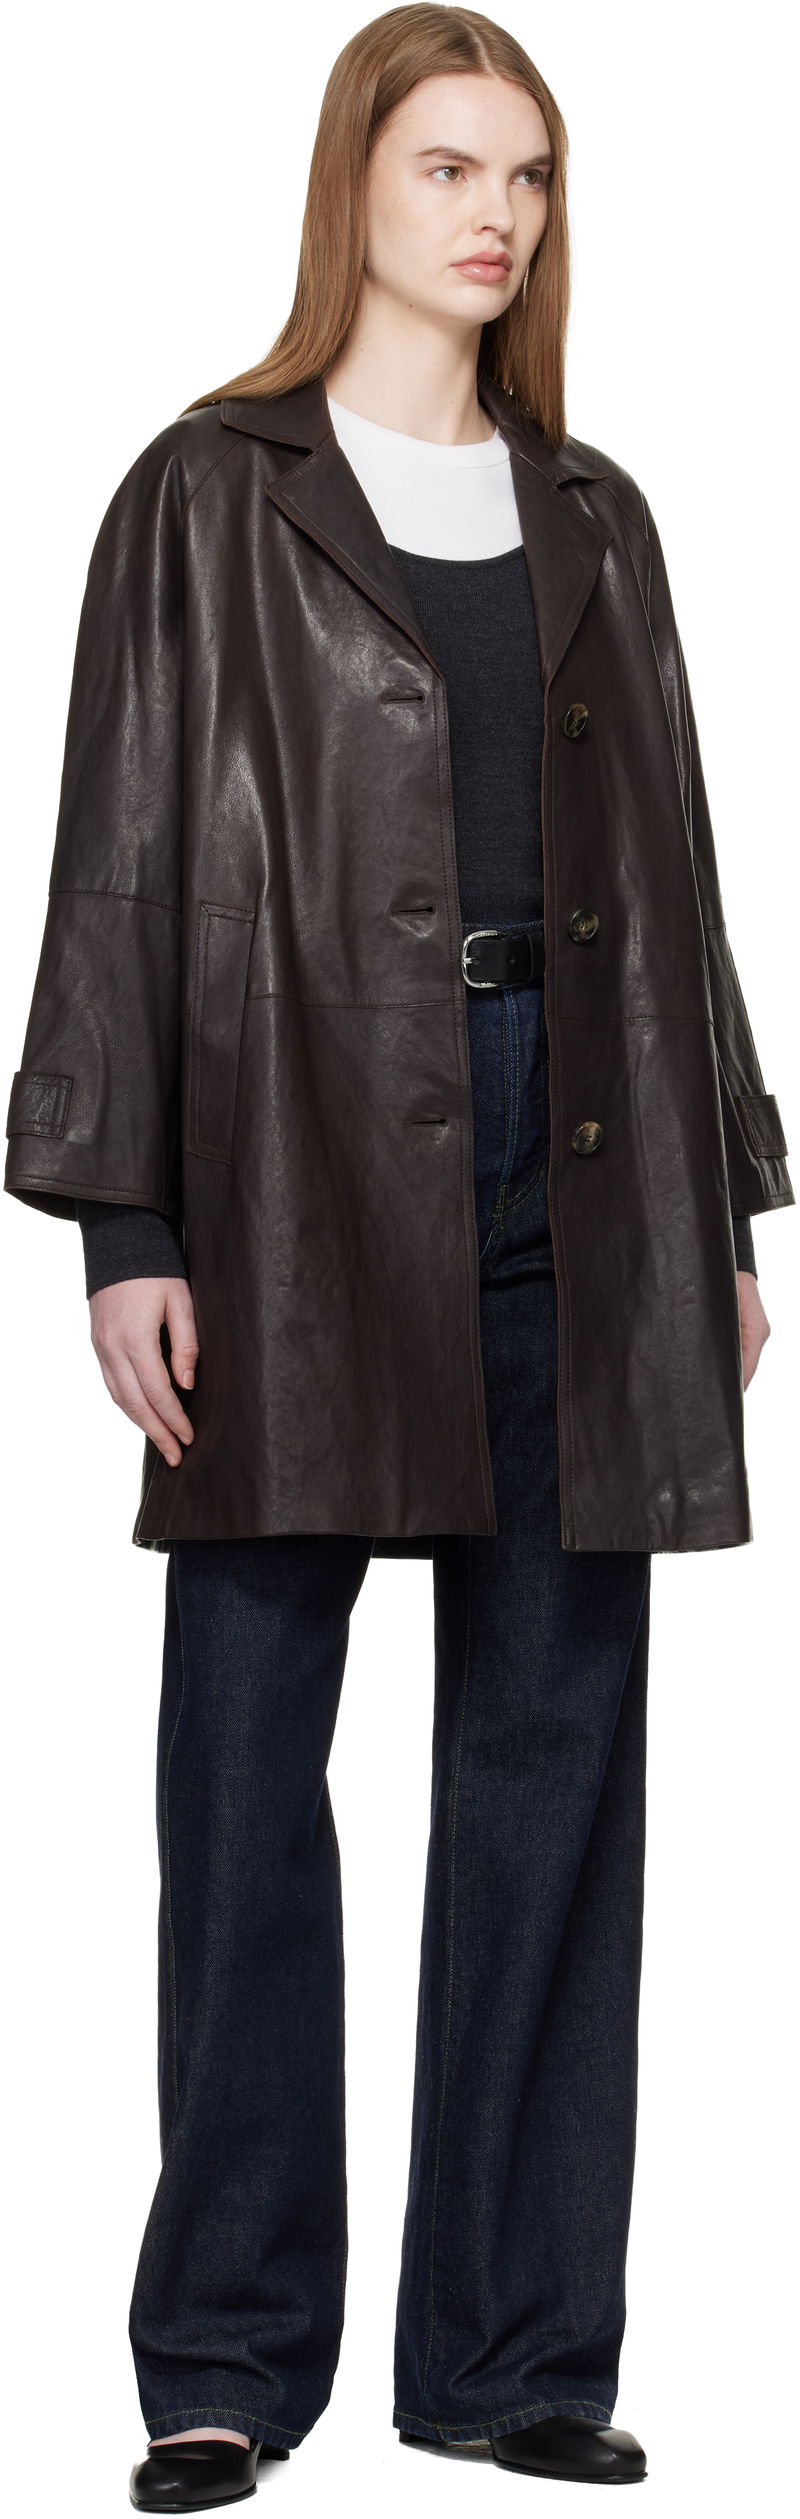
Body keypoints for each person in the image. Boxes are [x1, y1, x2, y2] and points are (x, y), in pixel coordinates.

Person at [4, 8, 794, 2509]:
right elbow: (122, 848)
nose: (494, 216)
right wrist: (124, 1213)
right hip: (292, 1170)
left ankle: (516, 2353)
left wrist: (718, 1198)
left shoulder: (596, 513)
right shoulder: (206, 490)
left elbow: (672, 867)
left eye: (527, 176)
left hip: (584, 1168)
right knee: (249, 1775)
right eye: (448, 165)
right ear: (353, 181)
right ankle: (228, 2353)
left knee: (552, 1763)